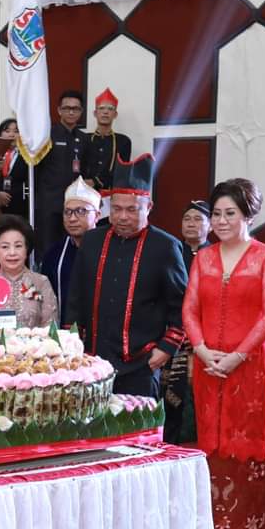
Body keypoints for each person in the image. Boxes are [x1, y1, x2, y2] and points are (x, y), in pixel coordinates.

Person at [183, 178, 265, 529]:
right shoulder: (203, 258)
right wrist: (201, 349)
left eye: (230, 214)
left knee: (245, 449)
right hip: (208, 365)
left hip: (249, 368)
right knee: (212, 446)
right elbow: (190, 308)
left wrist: (238, 356)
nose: (221, 221)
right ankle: (218, 527)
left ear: (248, 215)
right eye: (217, 214)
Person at [66, 154, 187, 398]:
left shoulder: (165, 247)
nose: (122, 217)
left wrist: (166, 349)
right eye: (117, 208)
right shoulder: (92, 241)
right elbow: (75, 298)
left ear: (148, 208)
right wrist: (71, 345)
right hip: (92, 363)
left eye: (132, 210)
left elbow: (182, 305)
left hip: (140, 363)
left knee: (137, 435)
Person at [161, 200, 212, 444]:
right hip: (175, 335)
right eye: (187, 219)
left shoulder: (215, 255)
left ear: (210, 225)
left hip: (206, 338)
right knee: (172, 395)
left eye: (198, 219)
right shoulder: (170, 251)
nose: (191, 224)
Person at [40, 177, 101, 325]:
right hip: (65, 335)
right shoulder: (53, 255)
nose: (72, 218)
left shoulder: (111, 249)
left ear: (97, 216)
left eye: (81, 211)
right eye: (67, 212)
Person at [36, 90, 89, 251]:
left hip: (74, 205)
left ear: (81, 112)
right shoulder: (46, 135)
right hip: (49, 203)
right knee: (48, 248)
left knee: (73, 247)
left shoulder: (84, 138)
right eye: (67, 108)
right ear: (59, 110)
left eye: (76, 109)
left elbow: (86, 169)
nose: (71, 112)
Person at [0, 214, 56, 328]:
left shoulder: (41, 283)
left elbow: (51, 327)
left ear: (26, 250)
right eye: (5, 247)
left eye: (18, 246)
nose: (12, 252)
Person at [82, 88, 132, 192]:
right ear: (95, 113)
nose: (105, 112)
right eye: (101, 108)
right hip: (85, 192)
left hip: (111, 193)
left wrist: (96, 181)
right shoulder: (84, 138)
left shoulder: (123, 141)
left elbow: (122, 172)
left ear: (115, 114)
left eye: (110, 109)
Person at [0, 118, 29, 219]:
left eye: (16, 131)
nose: (12, 135)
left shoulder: (27, 156)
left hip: (20, 208)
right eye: (7, 131)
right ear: (0, 134)